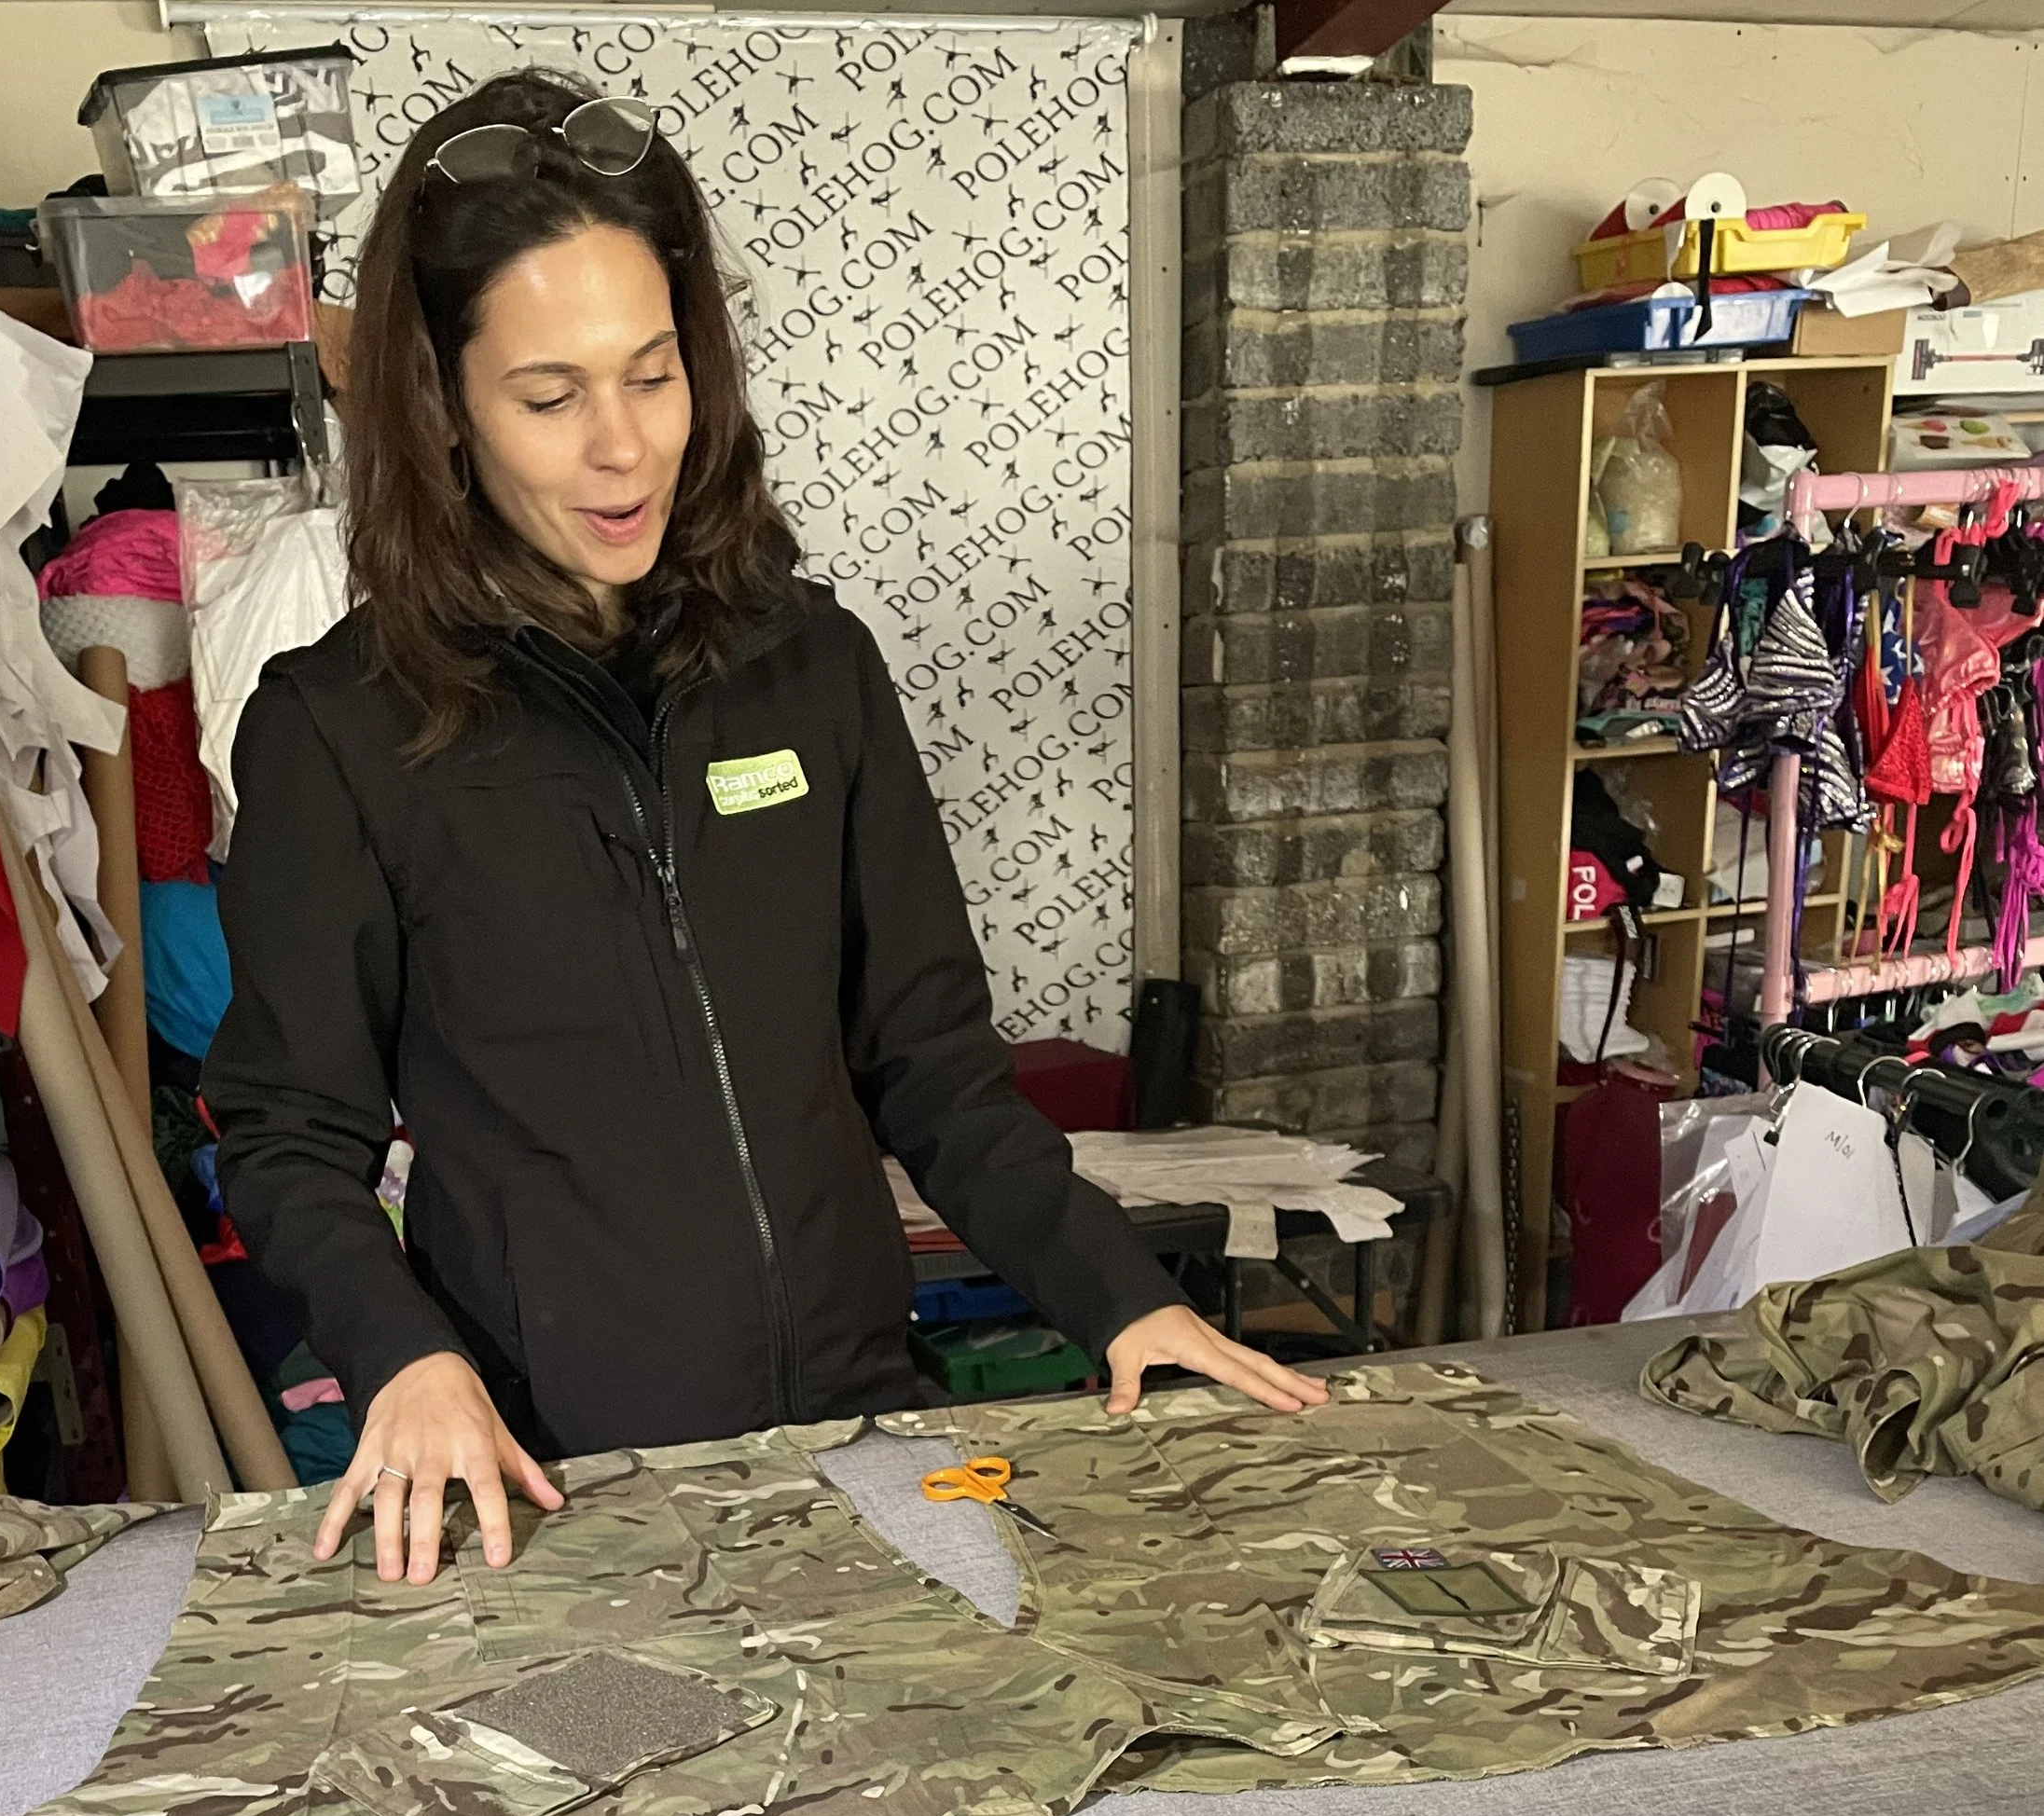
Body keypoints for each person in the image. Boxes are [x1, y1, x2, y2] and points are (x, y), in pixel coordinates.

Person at [208, 69, 1327, 1588]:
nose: (624, 449)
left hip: (861, 1432)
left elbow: (933, 1070)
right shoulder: (339, 729)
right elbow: (291, 1139)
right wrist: (403, 1358)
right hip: (564, 1478)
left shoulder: (810, 667)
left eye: (653, 375)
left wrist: (1121, 1294)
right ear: (444, 412)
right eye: (549, 398)